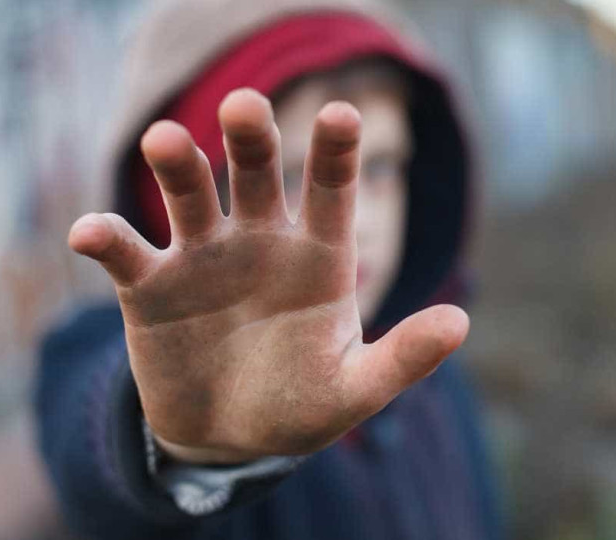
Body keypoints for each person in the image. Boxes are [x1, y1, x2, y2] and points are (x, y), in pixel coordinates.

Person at [35, 0, 501, 538]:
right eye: (285, 176)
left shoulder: (430, 374)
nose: (358, 222)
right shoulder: (88, 355)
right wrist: (184, 447)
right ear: (180, 201)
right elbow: (94, 447)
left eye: (378, 168)